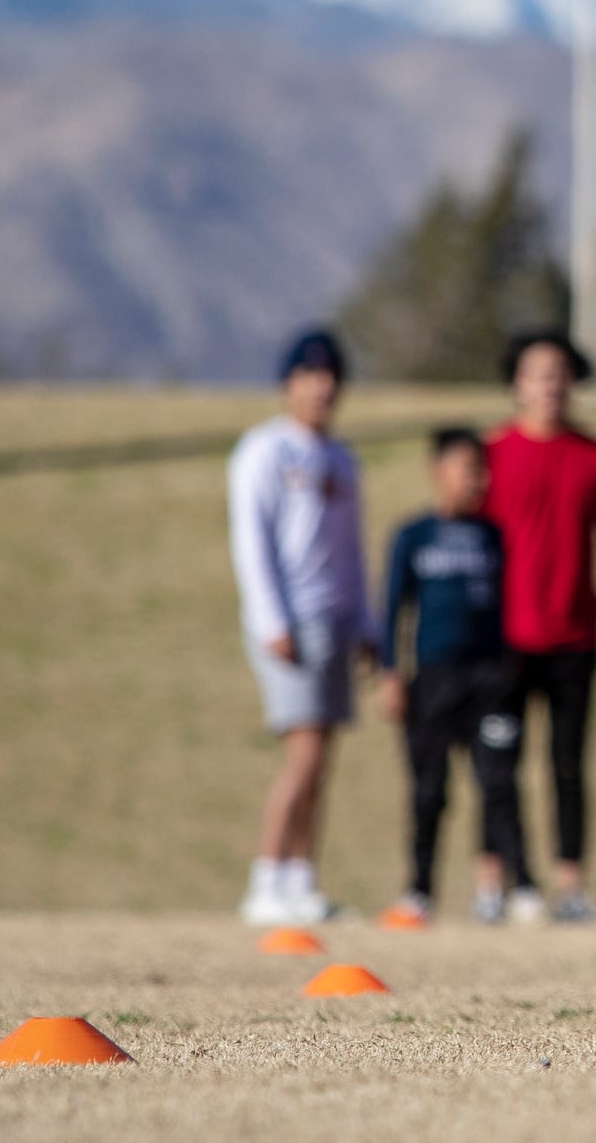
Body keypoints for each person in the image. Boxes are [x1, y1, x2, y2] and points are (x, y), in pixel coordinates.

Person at [482, 329, 596, 925]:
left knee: (568, 763)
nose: (549, 385)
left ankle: (571, 883)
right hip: (503, 637)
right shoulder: (491, 455)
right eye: (537, 373)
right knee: (498, 762)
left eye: (559, 373)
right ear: (517, 383)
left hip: (576, 636)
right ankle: (498, 881)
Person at [230, 327, 375, 929]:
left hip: (337, 616)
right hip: (292, 617)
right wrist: (271, 618)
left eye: (331, 376)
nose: (322, 387)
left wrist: (366, 622)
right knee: (303, 750)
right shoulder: (266, 450)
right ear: (288, 384)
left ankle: (301, 880)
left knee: (324, 757)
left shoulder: (340, 459)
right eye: (310, 375)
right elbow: (252, 539)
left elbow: (351, 549)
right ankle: (266, 877)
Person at [375, 426, 528, 928]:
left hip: (490, 678)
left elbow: (512, 607)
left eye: (483, 470)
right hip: (433, 679)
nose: (479, 480)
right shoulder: (413, 535)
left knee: (497, 782)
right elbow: (393, 608)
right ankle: (420, 890)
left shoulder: (495, 537)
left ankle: (497, 890)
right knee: (428, 790)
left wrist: (512, 669)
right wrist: (391, 674)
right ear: (438, 470)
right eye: (468, 469)